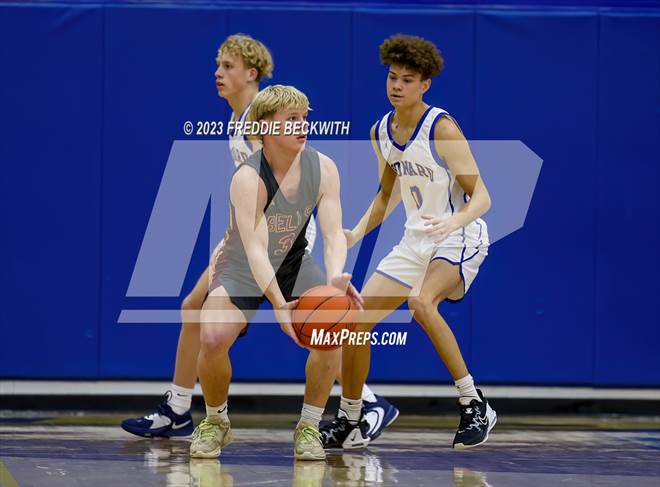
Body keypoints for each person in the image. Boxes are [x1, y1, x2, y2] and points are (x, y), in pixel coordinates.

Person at [121, 34, 397, 440]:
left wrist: (307, 257)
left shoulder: (264, 123)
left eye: (228, 66)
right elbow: (253, 201)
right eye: (218, 65)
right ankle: (179, 406)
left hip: (287, 242)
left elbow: (283, 198)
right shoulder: (238, 121)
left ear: (251, 74)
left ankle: (364, 401)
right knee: (196, 309)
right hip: (254, 240)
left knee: (318, 320)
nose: (218, 73)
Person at [321, 34, 496, 450]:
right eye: (392, 77)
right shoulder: (381, 131)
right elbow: (387, 194)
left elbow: (483, 197)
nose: (397, 86)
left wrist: (453, 222)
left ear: (425, 84)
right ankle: (352, 419)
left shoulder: (441, 128)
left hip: (459, 234)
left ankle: (474, 403)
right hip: (415, 239)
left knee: (421, 302)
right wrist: (354, 233)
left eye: (408, 79)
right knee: (354, 323)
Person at [189, 85, 362, 460]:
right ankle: (216, 421)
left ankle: (309, 426)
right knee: (213, 335)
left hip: (294, 261)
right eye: (292, 119)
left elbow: (334, 234)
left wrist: (335, 279)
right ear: (265, 126)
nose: (303, 126)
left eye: (304, 118)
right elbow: (254, 250)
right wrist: (280, 305)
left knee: (331, 328)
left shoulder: (323, 168)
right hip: (241, 265)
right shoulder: (248, 178)